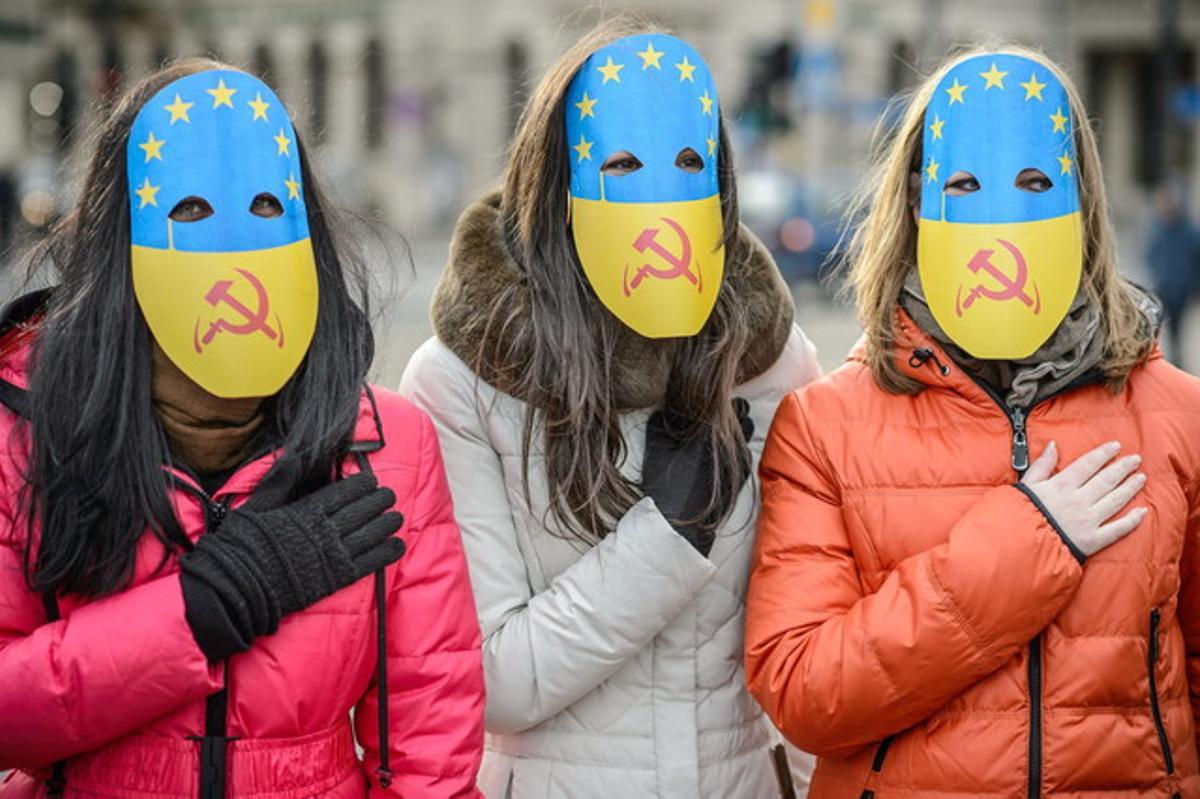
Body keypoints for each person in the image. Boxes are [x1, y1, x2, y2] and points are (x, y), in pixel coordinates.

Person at [0, 60, 484, 797]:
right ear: (119, 232)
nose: (230, 243)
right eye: (189, 211)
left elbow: (430, 750)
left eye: (264, 206)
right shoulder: (24, 432)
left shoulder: (392, 448)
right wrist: (199, 607)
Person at [745, 47, 1200, 797]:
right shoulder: (824, 426)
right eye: (965, 184)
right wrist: (1022, 549)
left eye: (1033, 183)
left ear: (1080, 199)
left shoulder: (1177, 415)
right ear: (920, 202)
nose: (1003, 215)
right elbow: (802, 691)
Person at [400, 17, 821, 799]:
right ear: (557, 181)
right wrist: (668, 535)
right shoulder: (459, 381)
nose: (657, 192)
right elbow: (491, 678)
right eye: (621, 163)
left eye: (690, 162)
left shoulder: (769, 361)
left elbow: (799, 653)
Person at [1145, 180, 1198, 366]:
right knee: (1156, 327)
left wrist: (1193, 287)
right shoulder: (1159, 228)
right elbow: (1151, 254)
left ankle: (1177, 362)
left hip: (1182, 291)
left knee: (1177, 330)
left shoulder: (1190, 231)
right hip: (1162, 287)